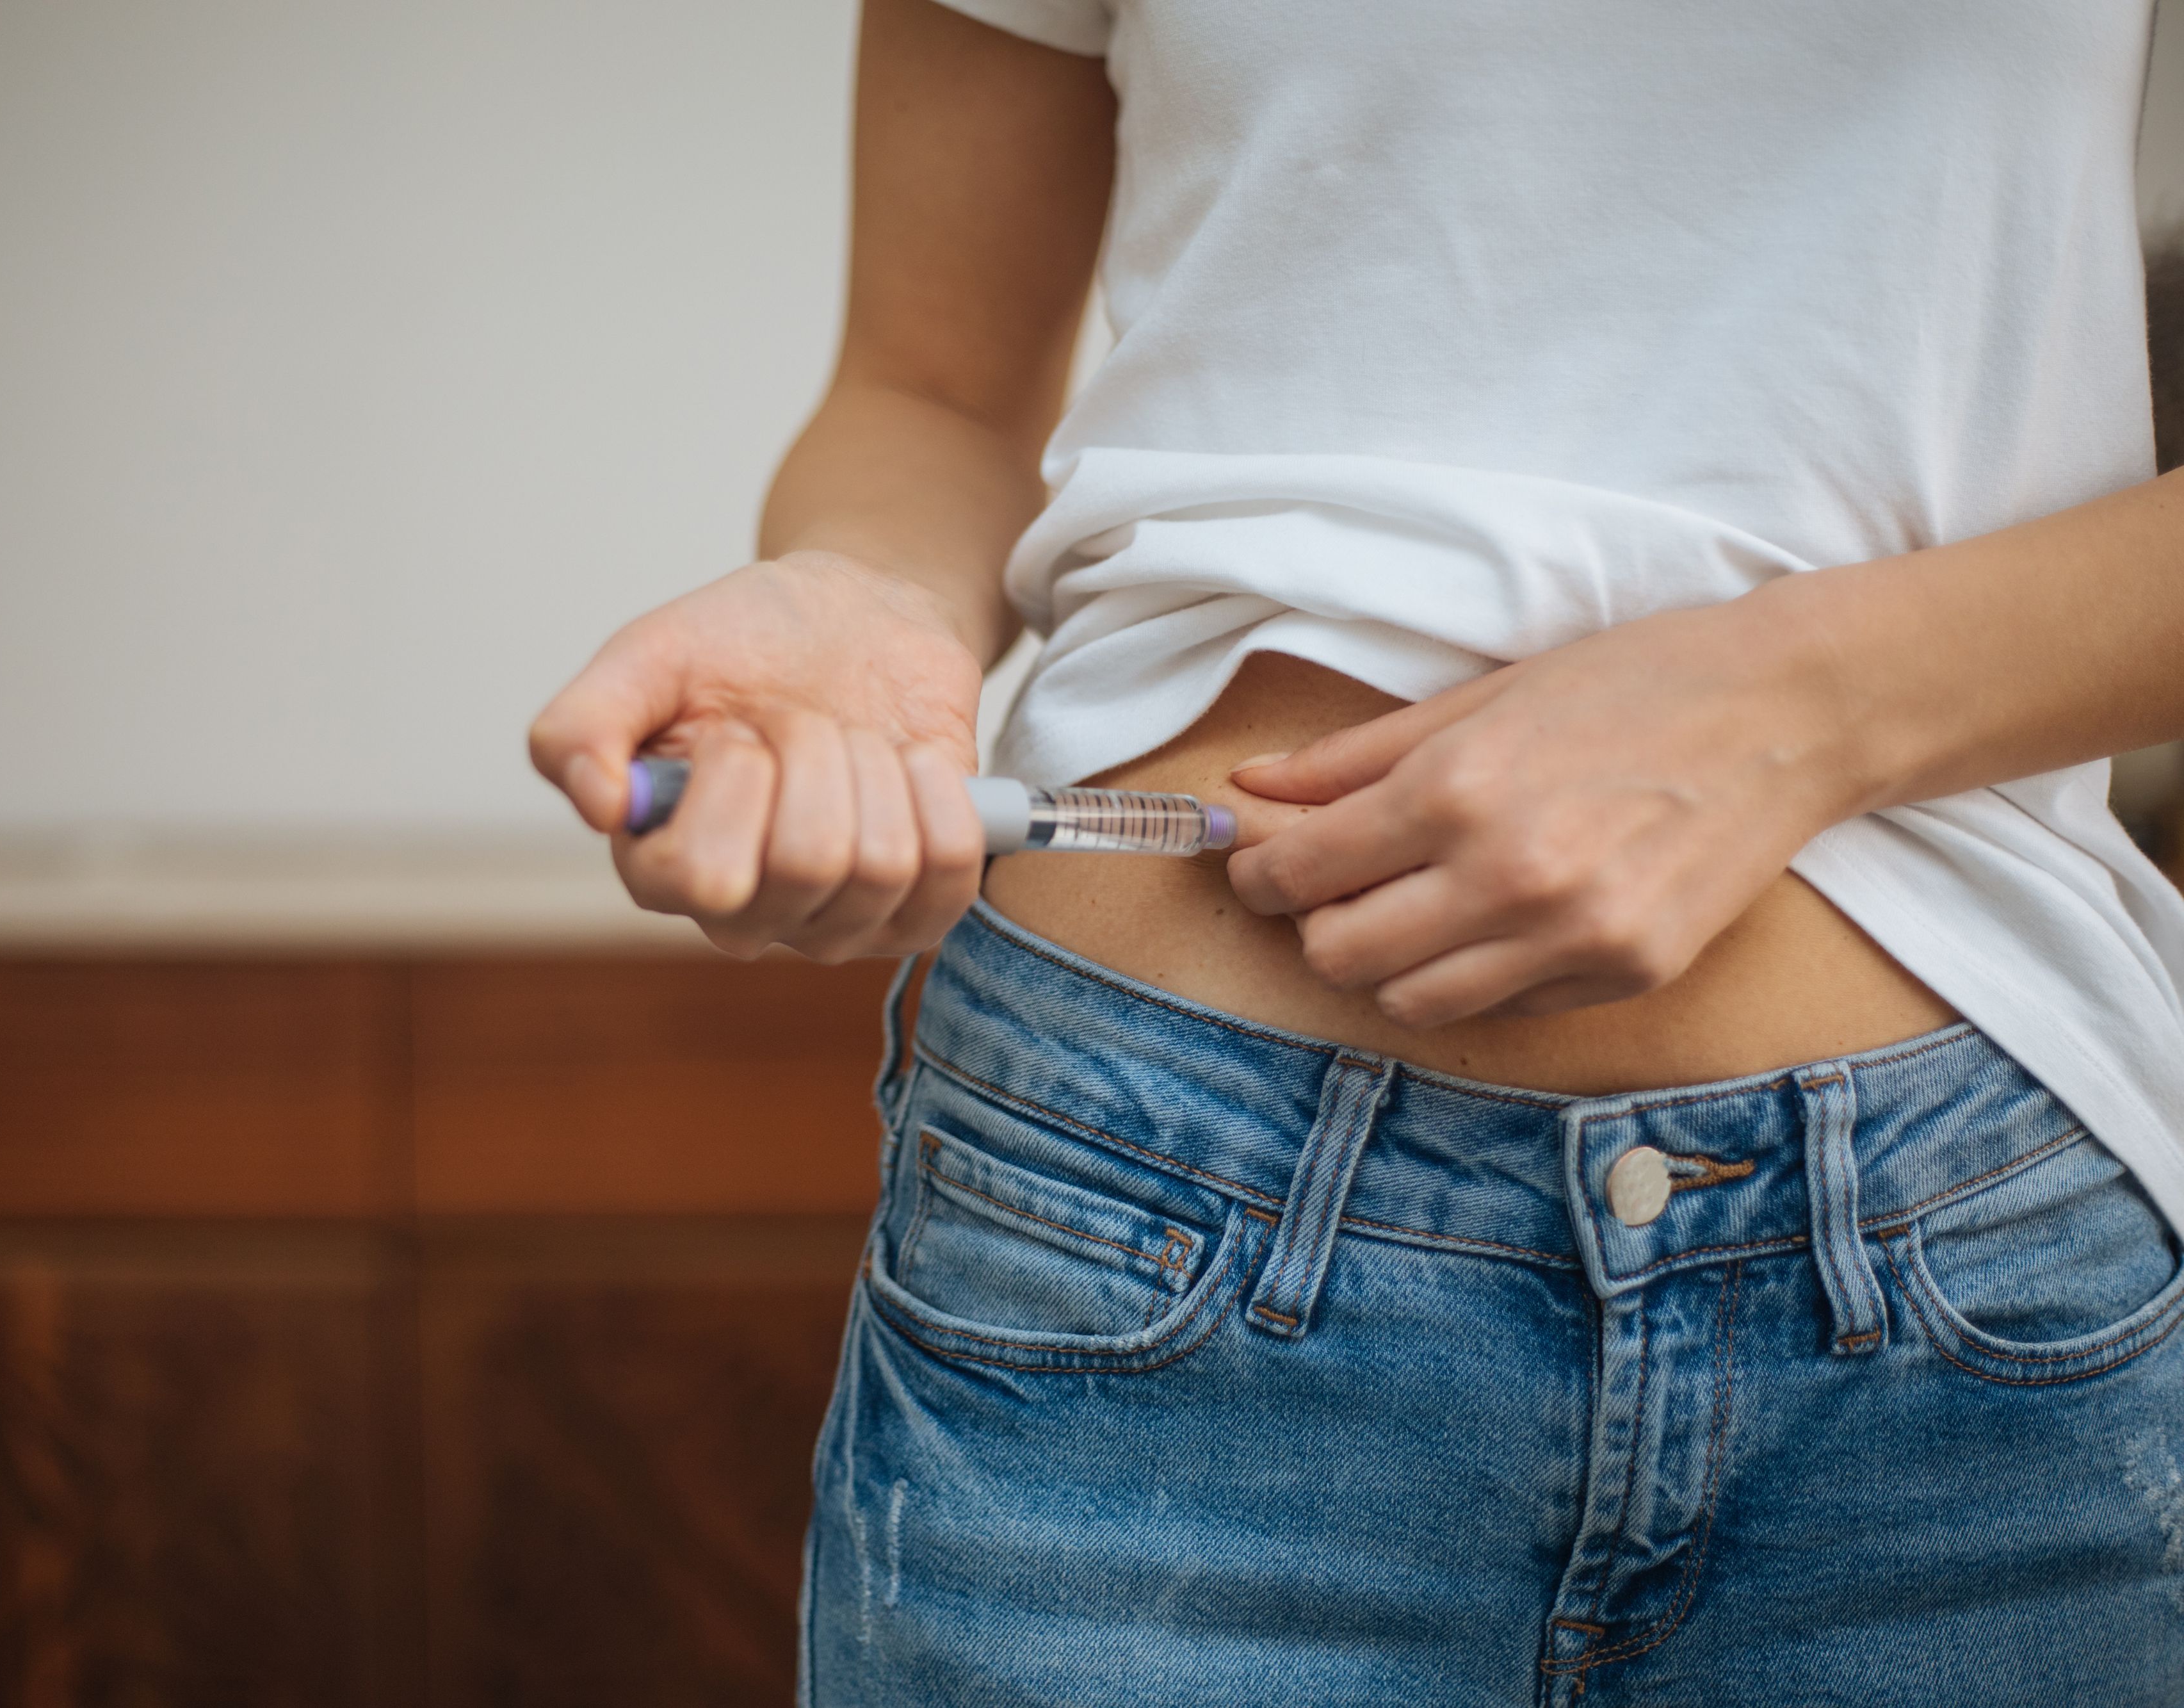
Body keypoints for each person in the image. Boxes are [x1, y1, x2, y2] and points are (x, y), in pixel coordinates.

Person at [531, 1, 2184, 1700]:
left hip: (1970, 1309)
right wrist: (858, 598)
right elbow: (929, 393)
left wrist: (1800, 707)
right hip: (1137, 1227)